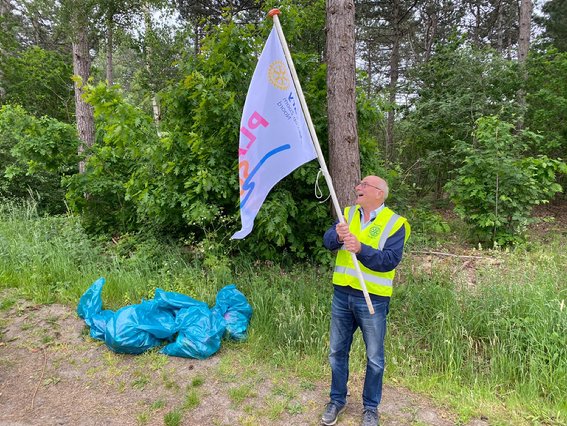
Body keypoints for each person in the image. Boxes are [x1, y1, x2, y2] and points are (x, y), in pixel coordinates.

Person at [321, 175, 411, 426]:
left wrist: (361, 249)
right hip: (342, 295)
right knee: (337, 352)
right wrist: (338, 237)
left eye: (363, 185)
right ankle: (337, 400)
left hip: (373, 299)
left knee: (374, 358)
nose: (357, 188)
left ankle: (370, 407)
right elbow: (327, 241)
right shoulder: (347, 213)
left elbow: (389, 261)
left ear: (379, 193)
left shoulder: (396, 223)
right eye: (359, 185)